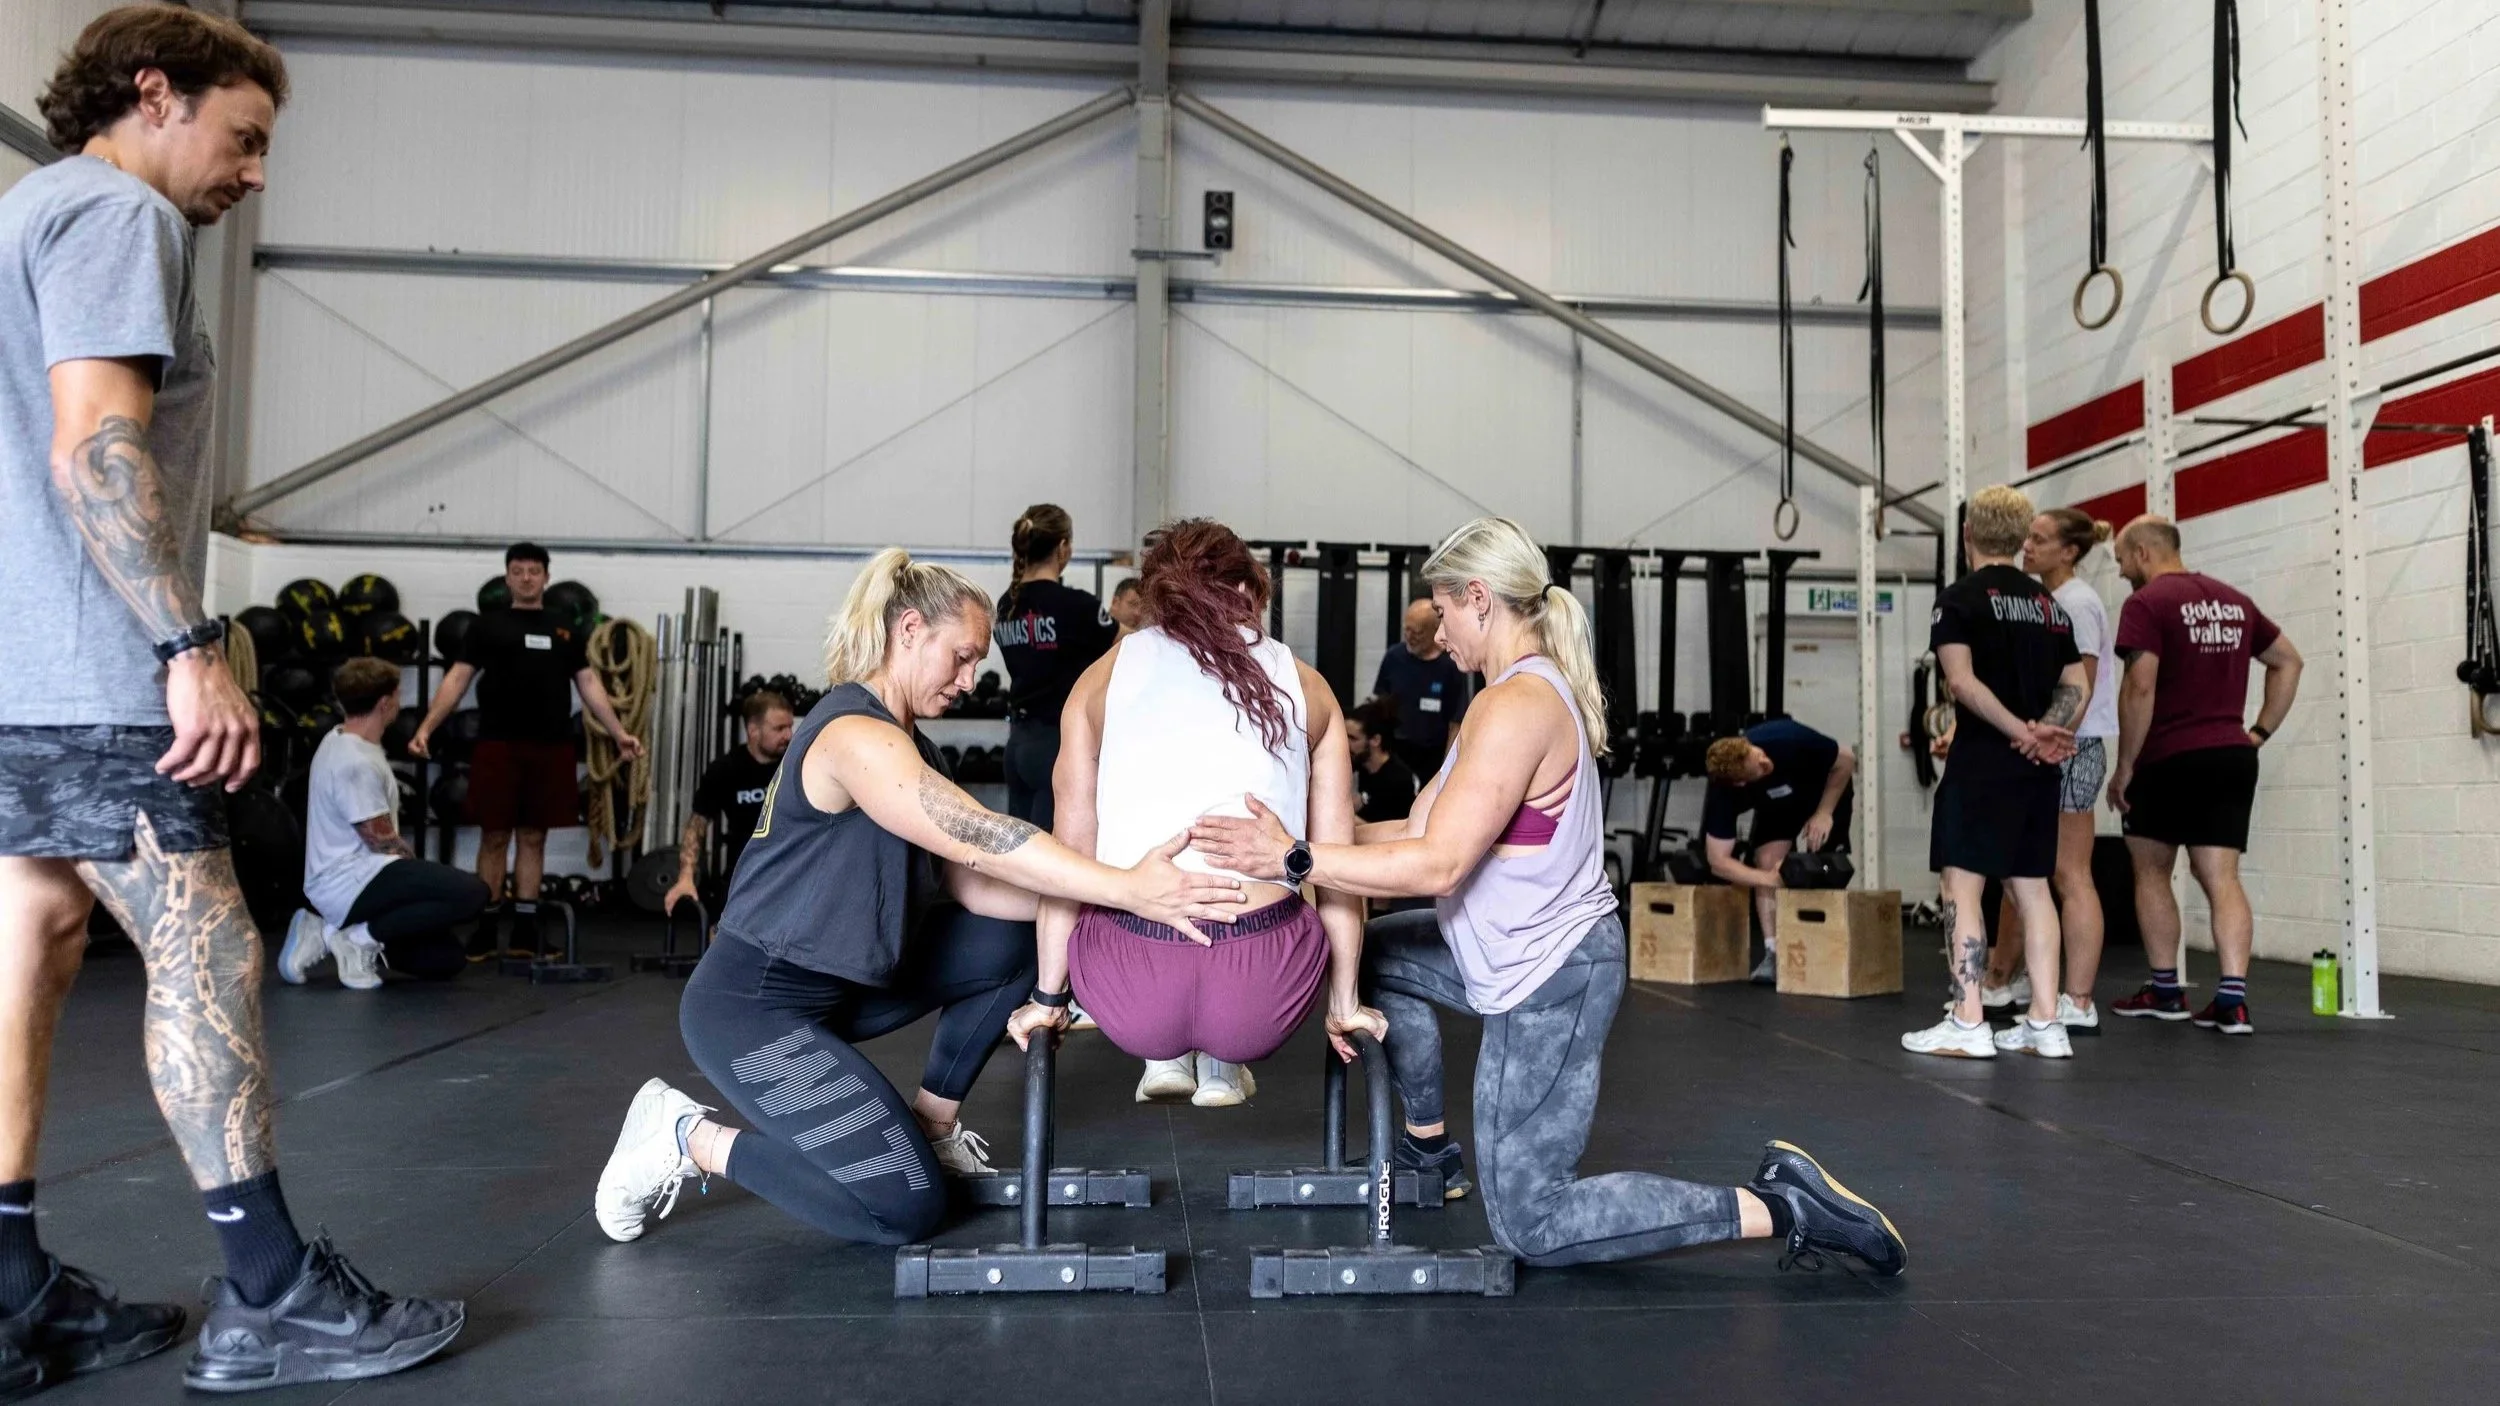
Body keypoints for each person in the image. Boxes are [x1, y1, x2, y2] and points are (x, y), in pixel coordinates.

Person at [0, 8, 461, 1391]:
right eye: (244, 137)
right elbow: (96, 443)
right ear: (153, 94)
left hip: (20, 671)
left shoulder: (27, 212)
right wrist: (189, 640)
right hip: (97, 672)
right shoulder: (116, 213)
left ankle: (11, 1287)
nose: (255, 172)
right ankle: (270, 1290)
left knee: (36, 933)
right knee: (208, 951)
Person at [1193, 517, 1905, 1273]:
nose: (1437, 639)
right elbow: (1409, 829)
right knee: (1371, 957)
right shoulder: (1493, 704)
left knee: (1532, 1222)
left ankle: (1784, 1205)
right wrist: (1304, 832)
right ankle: (1429, 1149)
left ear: (1478, 598)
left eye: (1441, 614)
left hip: (1553, 978)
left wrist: (1296, 859)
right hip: (1497, 949)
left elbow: (1436, 866)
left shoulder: (1517, 707)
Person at [593, 550, 1248, 1249]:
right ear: (909, 631)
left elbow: (973, 887)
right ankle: (687, 1135)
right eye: (962, 658)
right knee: (902, 1211)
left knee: (1022, 942)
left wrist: (1118, 910)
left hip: (845, 988)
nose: (971, 681)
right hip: (755, 1006)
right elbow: (982, 838)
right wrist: (1125, 884)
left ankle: (931, 1128)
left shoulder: (916, 748)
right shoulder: (854, 736)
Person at [1005, 520, 1382, 1111]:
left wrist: (1048, 997)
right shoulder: (1307, 685)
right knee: (1304, 867)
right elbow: (1340, 870)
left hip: (1132, 992)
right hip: (1261, 992)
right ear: (1249, 592)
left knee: (1101, 872)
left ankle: (1164, 1055)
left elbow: (1067, 861)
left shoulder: (1098, 683)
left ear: (1157, 597)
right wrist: (1345, 1003)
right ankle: (1223, 1063)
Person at [1901, 485, 2090, 1060]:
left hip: (1985, 762)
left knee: (1964, 884)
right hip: (2036, 769)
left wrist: (2017, 730)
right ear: (2021, 538)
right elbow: (2077, 684)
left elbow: (1961, 682)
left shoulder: (1960, 598)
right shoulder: (2047, 605)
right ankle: (2045, 1022)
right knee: (2032, 887)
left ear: (1968, 535)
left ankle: (1967, 1019)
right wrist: (2049, 731)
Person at [2106, 516, 2302, 1035]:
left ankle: (2166, 990)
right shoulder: (2233, 600)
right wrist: (2257, 732)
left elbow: (2139, 688)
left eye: (2122, 559)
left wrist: (2125, 766)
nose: (2122, 570)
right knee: (2221, 877)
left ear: (2144, 553)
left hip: (2167, 756)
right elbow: (2289, 661)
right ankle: (2232, 1000)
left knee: (2151, 870)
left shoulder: (2146, 604)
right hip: (2229, 755)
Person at [408, 542, 643, 957]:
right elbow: (457, 679)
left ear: (546, 578)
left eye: (534, 571)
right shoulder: (486, 627)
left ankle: (524, 932)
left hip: (550, 747)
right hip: (498, 744)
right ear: (507, 577)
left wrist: (618, 732)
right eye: (518, 571)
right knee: (494, 836)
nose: (526, 578)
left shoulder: (564, 628)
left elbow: (588, 684)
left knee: (534, 837)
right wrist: (427, 727)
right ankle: (483, 929)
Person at [1973, 510, 2120, 1031]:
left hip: (2071, 748)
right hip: (2047, 744)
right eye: (2027, 538)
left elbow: (2077, 687)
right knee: (2025, 869)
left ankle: (2077, 999)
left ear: (2069, 552)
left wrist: (2047, 739)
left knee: (2069, 875)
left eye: (2039, 540)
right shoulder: (2043, 602)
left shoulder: (2076, 603)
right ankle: (2003, 977)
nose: (2026, 547)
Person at [281, 658, 492, 988]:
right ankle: (356, 938)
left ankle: (326, 930)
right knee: (472, 894)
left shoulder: (340, 737)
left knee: (445, 959)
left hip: (359, 876)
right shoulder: (355, 762)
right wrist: (420, 881)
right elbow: (380, 840)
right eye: (397, 695)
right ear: (385, 703)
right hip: (348, 881)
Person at [1699, 721, 1856, 984]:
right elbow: (1718, 861)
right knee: (1767, 863)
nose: (1765, 763)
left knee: (1828, 866)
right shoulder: (1724, 793)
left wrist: (1824, 812)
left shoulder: (1785, 739)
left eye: (1758, 755)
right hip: (1778, 806)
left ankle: (1828, 953)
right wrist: (1768, 878)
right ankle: (1774, 953)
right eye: (1758, 768)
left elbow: (1847, 760)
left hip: (1825, 791)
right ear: (1740, 783)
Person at [993, 505, 1117, 832]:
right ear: (1063, 547)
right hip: (1057, 746)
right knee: (1055, 859)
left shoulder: (1007, 604)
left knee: (1022, 854)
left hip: (1018, 746)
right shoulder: (1076, 606)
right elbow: (1133, 646)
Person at [661, 690, 796, 922]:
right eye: (779, 729)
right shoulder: (725, 770)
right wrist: (685, 876)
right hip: (744, 872)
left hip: (791, 869)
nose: (788, 735)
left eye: (789, 727)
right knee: (722, 936)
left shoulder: (796, 766)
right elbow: (697, 824)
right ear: (753, 730)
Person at [1372, 598, 1472, 774]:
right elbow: (1379, 705)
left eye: (1417, 633)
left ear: (1435, 630)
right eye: (1406, 630)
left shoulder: (1451, 666)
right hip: (1395, 752)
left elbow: (1455, 723)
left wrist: (1446, 768)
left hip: (1432, 756)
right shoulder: (1394, 657)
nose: (1410, 637)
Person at [1345, 697, 1418, 825]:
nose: (1346, 744)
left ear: (1375, 740)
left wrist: (1345, 817)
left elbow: (1397, 832)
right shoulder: (1361, 766)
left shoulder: (1399, 780)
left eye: (1353, 738)